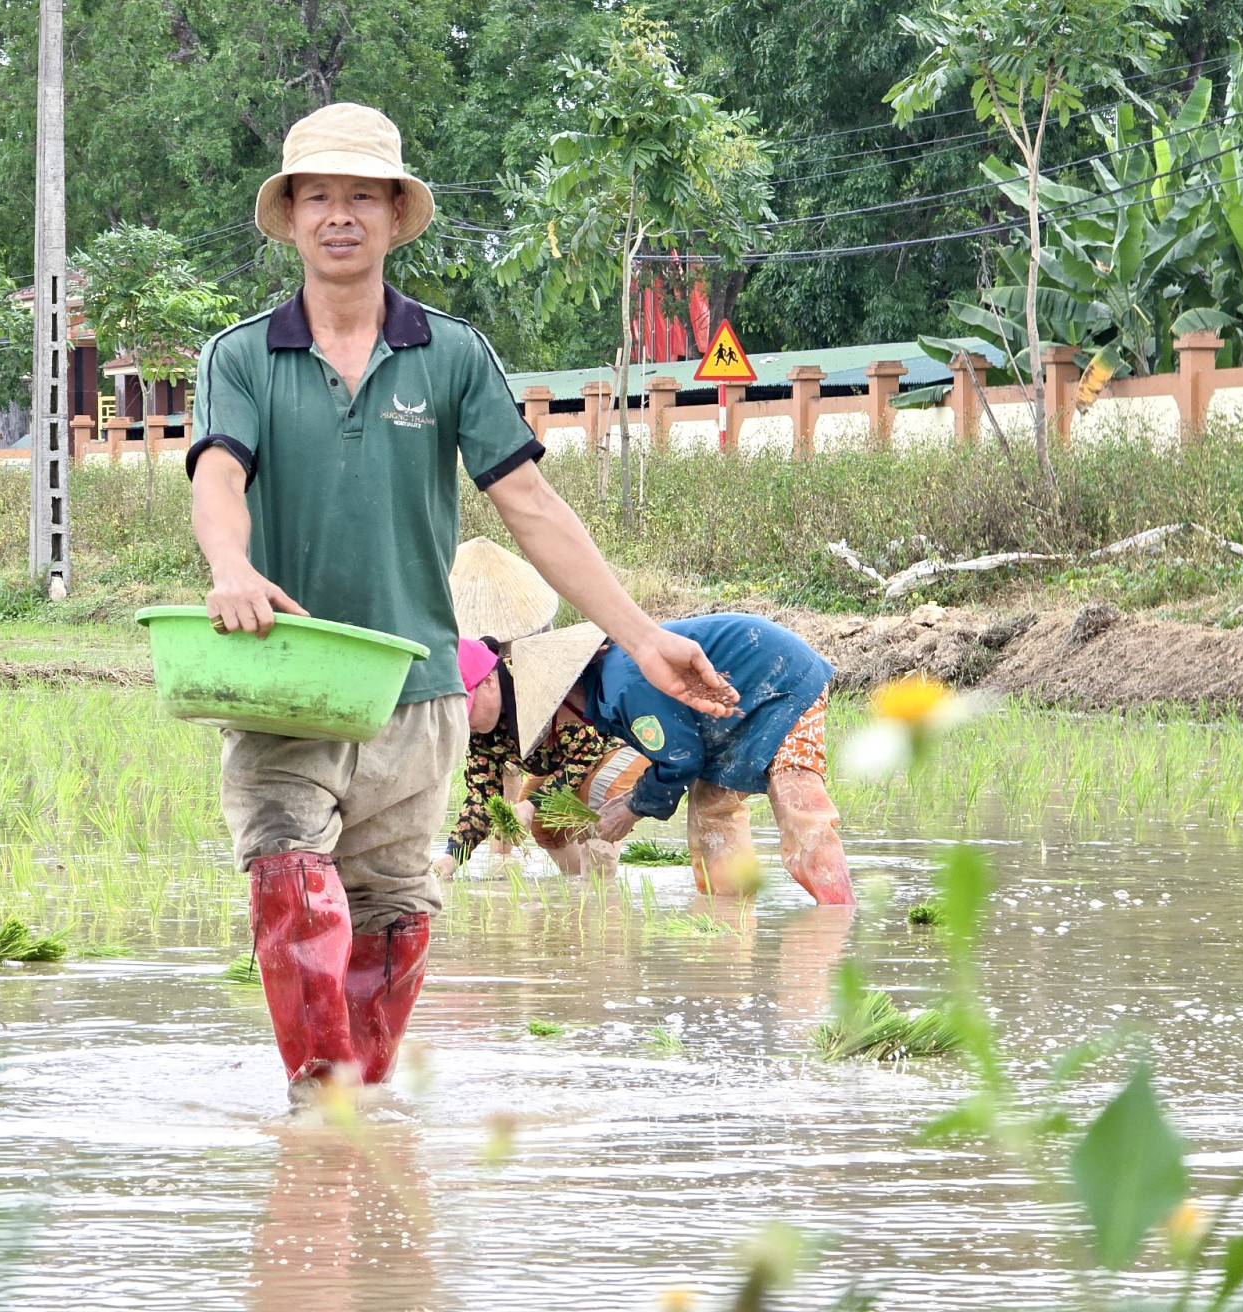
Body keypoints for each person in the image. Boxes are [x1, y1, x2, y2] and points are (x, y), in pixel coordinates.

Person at [187, 101, 739, 1102]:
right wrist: (228, 565)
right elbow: (217, 474)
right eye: (319, 196)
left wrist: (642, 636)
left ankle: (357, 1122)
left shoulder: (448, 355)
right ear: (291, 216)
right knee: (290, 881)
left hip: (416, 685)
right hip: (282, 675)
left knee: (395, 916)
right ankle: (320, 1112)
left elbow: (529, 505)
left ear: (396, 216)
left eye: (363, 195)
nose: (340, 215)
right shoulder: (239, 356)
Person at [488, 616, 854, 906]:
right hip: (727, 710)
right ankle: (727, 921)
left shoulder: (624, 687)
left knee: (797, 802)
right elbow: (677, 750)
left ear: (562, 702)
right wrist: (634, 800)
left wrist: (632, 807)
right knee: (711, 818)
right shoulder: (607, 692)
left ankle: (838, 918)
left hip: (783, 677)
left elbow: (681, 760)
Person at [438, 636, 629, 879]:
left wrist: (531, 805)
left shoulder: (531, 684)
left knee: (593, 796)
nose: (464, 722)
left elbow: (587, 752)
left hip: (616, 745)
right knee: (543, 822)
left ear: (488, 683)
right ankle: (579, 893)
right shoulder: (478, 732)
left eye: (467, 709)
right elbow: (482, 797)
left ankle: (603, 896)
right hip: (563, 763)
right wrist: (451, 856)